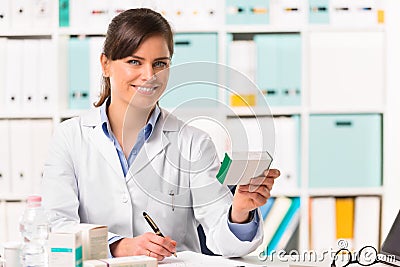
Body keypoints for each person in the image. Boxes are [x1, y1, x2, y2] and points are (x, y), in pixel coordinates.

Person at [42, 8, 280, 261]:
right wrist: (119, 246)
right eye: (135, 61)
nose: (149, 76)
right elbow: (55, 226)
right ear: (106, 64)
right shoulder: (70, 137)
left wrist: (240, 210)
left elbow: (225, 244)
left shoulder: (194, 143)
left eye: (160, 64)